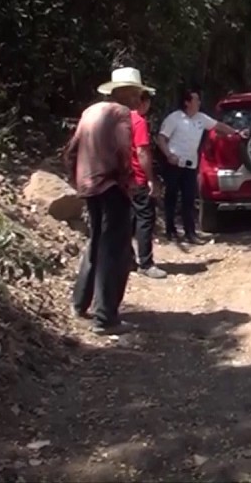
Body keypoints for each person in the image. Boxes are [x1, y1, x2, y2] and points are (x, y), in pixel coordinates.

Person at [65, 77, 136, 335]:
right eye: (136, 94)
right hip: (110, 185)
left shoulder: (90, 112)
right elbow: (124, 149)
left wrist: (77, 180)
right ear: (125, 94)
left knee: (96, 242)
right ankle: (105, 317)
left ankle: (79, 302)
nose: (138, 100)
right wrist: (127, 179)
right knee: (114, 251)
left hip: (88, 186)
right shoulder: (121, 113)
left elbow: (72, 150)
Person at [156, 86, 240, 244]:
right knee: (171, 197)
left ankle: (190, 233)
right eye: (196, 99)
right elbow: (161, 138)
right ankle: (170, 230)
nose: (199, 102)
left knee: (188, 198)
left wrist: (236, 133)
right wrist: (168, 155)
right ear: (187, 102)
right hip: (174, 164)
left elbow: (218, 126)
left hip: (190, 164)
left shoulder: (201, 118)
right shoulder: (175, 118)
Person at [129, 89, 167, 279]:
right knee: (145, 219)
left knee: (128, 220)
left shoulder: (119, 120)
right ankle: (146, 262)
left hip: (122, 179)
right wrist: (150, 178)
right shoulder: (139, 122)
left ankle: (127, 259)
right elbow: (142, 152)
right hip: (138, 177)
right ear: (142, 103)